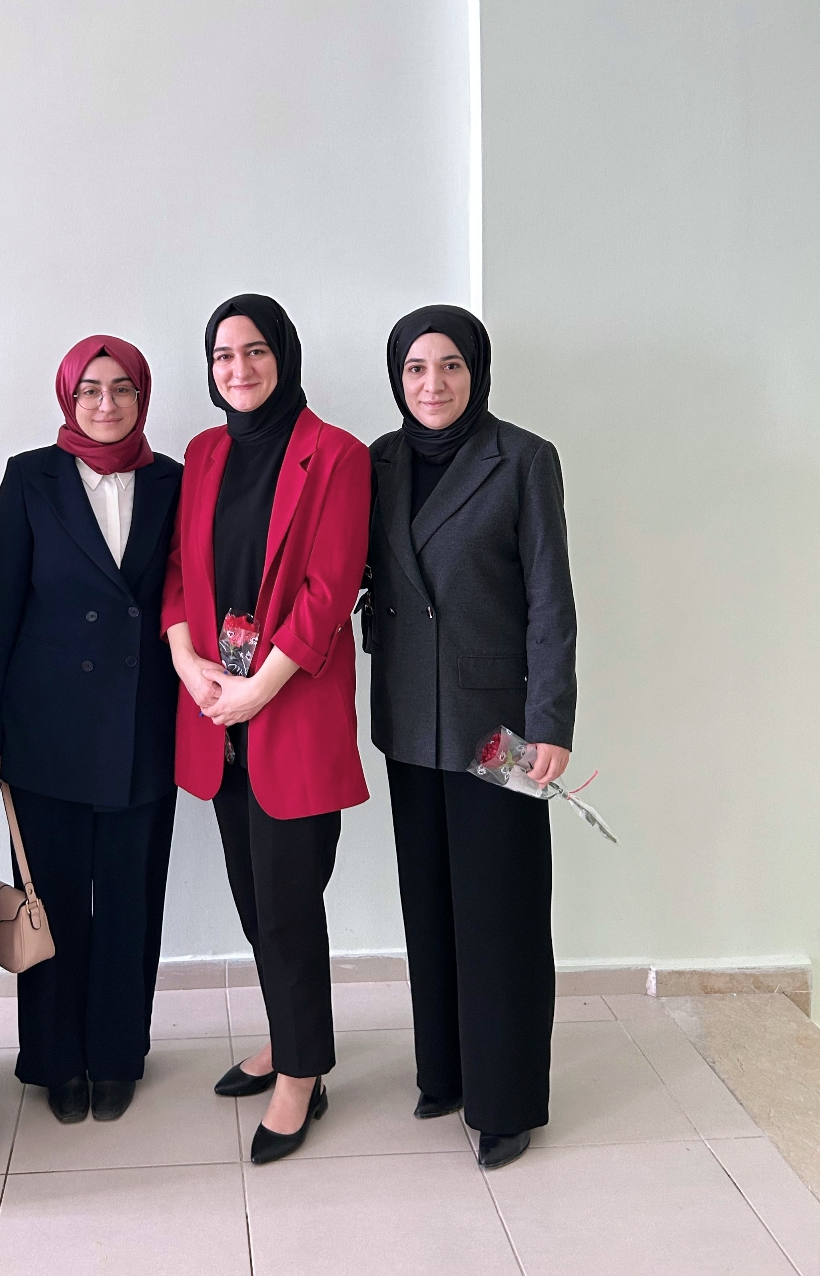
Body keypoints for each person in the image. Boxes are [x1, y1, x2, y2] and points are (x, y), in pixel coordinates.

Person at [363, 305, 577, 1169]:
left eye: (449, 365)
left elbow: (549, 600)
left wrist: (549, 723)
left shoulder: (522, 458)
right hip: (408, 717)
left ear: (476, 371)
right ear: (397, 377)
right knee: (430, 904)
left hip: (500, 728)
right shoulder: (378, 462)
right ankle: (445, 1071)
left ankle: (506, 1100)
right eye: (415, 368)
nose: (432, 384)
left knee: (503, 912)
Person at [162, 294, 371, 1164]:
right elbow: (179, 571)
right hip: (218, 713)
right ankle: (291, 1037)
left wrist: (259, 688)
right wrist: (189, 664)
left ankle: (302, 1073)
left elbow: (329, 591)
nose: (238, 368)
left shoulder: (338, 454)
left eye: (253, 351)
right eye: (222, 355)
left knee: (287, 903)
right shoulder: (203, 453)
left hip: (290, 709)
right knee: (255, 900)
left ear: (283, 355)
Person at [0, 335, 181, 1124]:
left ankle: (118, 1054)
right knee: (50, 898)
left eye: (122, 388)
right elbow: (0, 608)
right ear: (68, 397)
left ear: (141, 396)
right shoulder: (30, 476)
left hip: (143, 724)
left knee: (130, 902)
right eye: (89, 389)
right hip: (44, 728)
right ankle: (55, 1061)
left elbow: (185, 596)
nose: (105, 403)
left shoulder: (172, 481)